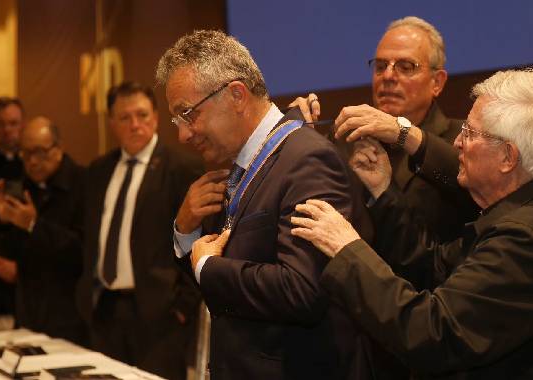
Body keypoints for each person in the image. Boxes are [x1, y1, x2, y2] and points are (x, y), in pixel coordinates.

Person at [290, 69, 533, 379]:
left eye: (470, 132)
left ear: (507, 157)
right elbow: (433, 269)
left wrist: (348, 251)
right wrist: (383, 192)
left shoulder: (526, 239)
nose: (458, 142)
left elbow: (431, 334)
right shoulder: (524, 210)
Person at [157, 30, 373, 379]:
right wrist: (188, 233)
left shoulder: (308, 160)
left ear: (236, 95)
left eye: (188, 114)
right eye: (177, 121)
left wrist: (209, 267)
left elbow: (303, 289)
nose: (183, 134)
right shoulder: (240, 165)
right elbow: (224, 272)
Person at [291, 16, 478, 291]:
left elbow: (469, 183)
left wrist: (402, 132)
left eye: (406, 66)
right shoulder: (345, 139)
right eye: (380, 66)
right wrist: (299, 141)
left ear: (437, 82)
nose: (388, 76)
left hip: (430, 297)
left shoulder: (461, 139)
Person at [75, 81, 201, 379]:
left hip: (160, 316)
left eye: (142, 115)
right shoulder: (98, 170)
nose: (135, 124)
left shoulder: (181, 168)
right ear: (112, 123)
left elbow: (199, 239)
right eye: (125, 117)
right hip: (103, 309)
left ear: (156, 117)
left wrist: (182, 307)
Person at [0, 117, 87, 344]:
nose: (33, 161)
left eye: (40, 152)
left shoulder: (83, 182)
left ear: (59, 148)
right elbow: (13, 249)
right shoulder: (23, 186)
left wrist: (34, 225)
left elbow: (81, 250)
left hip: (71, 314)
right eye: (26, 154)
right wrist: (4, 220)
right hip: (28, 311)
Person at [0, 97, 25, 317]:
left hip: (27, 266)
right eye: (1, 124)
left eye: (13, 123)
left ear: (23, 124)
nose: (7, 130)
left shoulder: (34, 163)